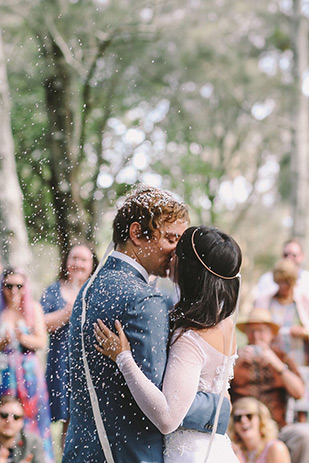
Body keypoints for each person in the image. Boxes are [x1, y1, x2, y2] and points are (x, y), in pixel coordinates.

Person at [62, 186, 232, 463]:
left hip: (82, 452)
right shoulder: (146, 300)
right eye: (170, 238)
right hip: (132, 455)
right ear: (137, 234)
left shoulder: (87, 290)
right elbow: (162, 401)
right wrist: (219, 407)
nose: (177, 250)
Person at [94, 224, 242, 462]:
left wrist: (123, 358)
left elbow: (167, 418)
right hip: (215, 450)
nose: (172, 255)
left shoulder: (191, 336)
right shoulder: (225, 324)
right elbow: (222, 398)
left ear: (189, 268)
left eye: (178, 252)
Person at [230, 307, 309, 463]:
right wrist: (235, 364)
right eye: (251, 331)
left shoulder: (281, 357)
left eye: (261, 331)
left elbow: (299, 392)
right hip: (242, 425)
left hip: (278, 427)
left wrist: (278, 365)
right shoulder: (236, 357)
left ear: (271, 334)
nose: (256, 336)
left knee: (304, 436)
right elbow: (218, 391)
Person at [40, 243, 97, 449]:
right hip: (61, 363)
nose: (78, 264)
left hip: (89, 364)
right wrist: (67, 312)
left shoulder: (97, 290)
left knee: (88, 418)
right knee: (67, 419)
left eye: (83, 260)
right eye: (74, 258)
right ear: (66, 261)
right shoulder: (54, 289)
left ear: (92, 264)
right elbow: (41, 324)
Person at [0, 269, 54, 463]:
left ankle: (37, 457)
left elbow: (41, 341)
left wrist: (23, 338)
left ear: (25, 287)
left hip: (29, 374)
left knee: (34, 418)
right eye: (8, 285)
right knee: (6, 415)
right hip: (4, 371)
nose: (13, 290)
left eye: (19, 285)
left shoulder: (33, 308)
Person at [255, 259, 309, 367]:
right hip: (272, 359)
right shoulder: (267, 301)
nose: (283, 286)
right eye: (280, 282)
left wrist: (302, 332)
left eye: (286, 282)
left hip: (297, 360)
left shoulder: (302, 301)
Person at [228, 397, 290, 463]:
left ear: (261, 419)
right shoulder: (234, 451)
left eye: (249, 416)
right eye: (238, 418)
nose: (243, 420)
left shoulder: (275, 448)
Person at [0, 395, 45, 463]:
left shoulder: (33, 442)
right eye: (4, 415)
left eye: (16, 417)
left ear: (22, 422)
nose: (9, 420)